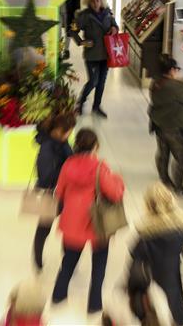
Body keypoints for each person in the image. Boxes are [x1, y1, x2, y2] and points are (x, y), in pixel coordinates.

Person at [52, 128, 125, 315]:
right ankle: (94, 304)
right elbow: (115, 193)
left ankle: (58, 295)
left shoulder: (68, 165)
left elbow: (59, 192)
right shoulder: (100, 167)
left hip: (71, 221)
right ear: (95, 146)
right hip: (97, 223)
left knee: (68, 261)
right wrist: (117, 179)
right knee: (99, 265)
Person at [130, 183, 183, 325]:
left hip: (154, 285)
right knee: (177, 310)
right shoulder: (181, 230)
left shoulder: (146, 235)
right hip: (175, 280)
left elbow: (135, 259)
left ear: (149, 207)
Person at [148, 55, 183, 196]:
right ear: (170, 70)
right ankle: (178, 187)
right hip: (176, 126)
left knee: (163, 153)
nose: (177, 72)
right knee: (181, 157)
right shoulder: (176, 86)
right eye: (176, 69)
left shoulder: (156, 82)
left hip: (159, 124)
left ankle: (164, 179)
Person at [32, 113, 75, 271]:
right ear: (58, 131)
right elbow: (45, 176)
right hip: (50, 194)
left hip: (65, 193)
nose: (69, 134)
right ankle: (37, 260)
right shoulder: (47, 148)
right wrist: (65, 171)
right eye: (68, 131)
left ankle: (68, 259)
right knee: (44, 229)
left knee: (69, 226)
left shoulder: (62, 143)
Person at [70, 0, 118, 118]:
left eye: (97, 0)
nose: (95, 3)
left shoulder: (108, 13)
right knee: (93, 81)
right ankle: (80, 103)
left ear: (101, 1)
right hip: (92, 55)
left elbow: (115, 26)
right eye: (92, 1)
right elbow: (72, 30)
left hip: (106, 54)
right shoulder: (83, 16)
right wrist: (82, 42)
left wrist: (114, 29)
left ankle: (96, 107)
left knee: (101, 83)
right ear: (88, 2)